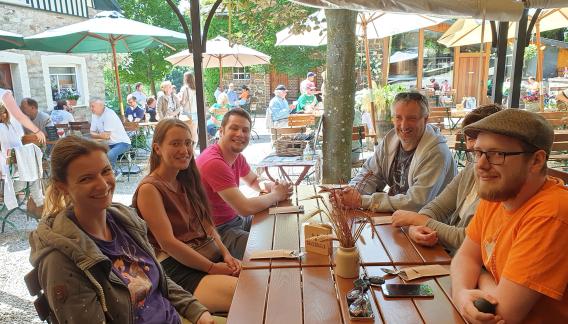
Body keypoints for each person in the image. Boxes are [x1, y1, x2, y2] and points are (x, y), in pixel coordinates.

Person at [29, 136, 215, 324]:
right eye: (86, 178)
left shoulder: (124, 221)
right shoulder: (61, 260)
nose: (102, 184)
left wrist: (197, 312)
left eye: (106, 171)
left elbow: (158, 280)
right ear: (63, 188)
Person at [451, 109, 568, 323]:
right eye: (478, 153)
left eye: (497, 154)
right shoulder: (496, 196)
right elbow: (466, 256)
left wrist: (481, 274)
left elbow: (501, 314)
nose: (481, 165)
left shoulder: (552, 213)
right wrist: (461, 294)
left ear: (536, 161)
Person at [133, 119, 239, 313]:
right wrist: (212, 268)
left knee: (259, 281)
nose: (184, 150)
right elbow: (168, 243)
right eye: (175, 143)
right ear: (157, 148)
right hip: (176, 269)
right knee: (248, 295)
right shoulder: (150, 189)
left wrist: (226, 254)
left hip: (207, 257)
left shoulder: (186, 180)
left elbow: (207, 225)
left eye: (188, 143)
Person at [391, 104, 502, 255]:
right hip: (449, 258)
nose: (476, 145)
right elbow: (437, 208)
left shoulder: (500, 184)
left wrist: (417, 220)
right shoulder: (470, 169)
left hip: (461, 263)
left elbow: (466, 238)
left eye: (483, 139)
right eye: (471, 138)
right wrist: (415, 229)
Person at [336, 92, 457, 212]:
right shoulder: (390, 140)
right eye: (398, 117)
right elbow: (370, 174)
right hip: (399, 219)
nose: (404, 125)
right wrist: (350, 193)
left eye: (411, 118)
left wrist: (362, 201)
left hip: (430, 225)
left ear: (425, 120)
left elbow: (416, 203)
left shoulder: (437, 153)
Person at [196, 109, 292, 259]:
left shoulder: (236, 156)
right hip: (217, 232)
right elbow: (245, 208)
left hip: (235, 220)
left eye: (245, 130)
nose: (240, 134)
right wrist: (276, 195)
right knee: (272, 249)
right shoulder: (213, 162)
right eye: (234, 128)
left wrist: (272, 186)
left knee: (280, 227)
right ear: (221, 131)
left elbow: (254, 181)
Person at [0, 102, 44, 218]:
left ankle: (39, 202)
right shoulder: (13, 127)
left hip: (11, 172)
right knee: (30, 178)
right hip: (22, 171)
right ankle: (40, 202)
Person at [89, 98, 131, 175]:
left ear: (101, 106)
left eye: (92, 106)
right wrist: (100, 135)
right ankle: (101, 173)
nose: (91, 109)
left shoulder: (109, 114)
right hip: (108, 144)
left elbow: (106, 136)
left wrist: (98, 136)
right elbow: (91, 132)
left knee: (110, 155)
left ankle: (113, 172)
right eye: (90, 106)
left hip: (122, 143)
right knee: (93, 154)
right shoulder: (94, 115)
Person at [178, 72, 198, 143]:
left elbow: (182, 101)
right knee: (194, 133)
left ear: (185, 79)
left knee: (186, 133)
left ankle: (190, 151)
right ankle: (193, 149)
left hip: (186, 113)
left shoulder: (184, 88)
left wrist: (178, 100)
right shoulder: (196, 87)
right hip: (195, 112)